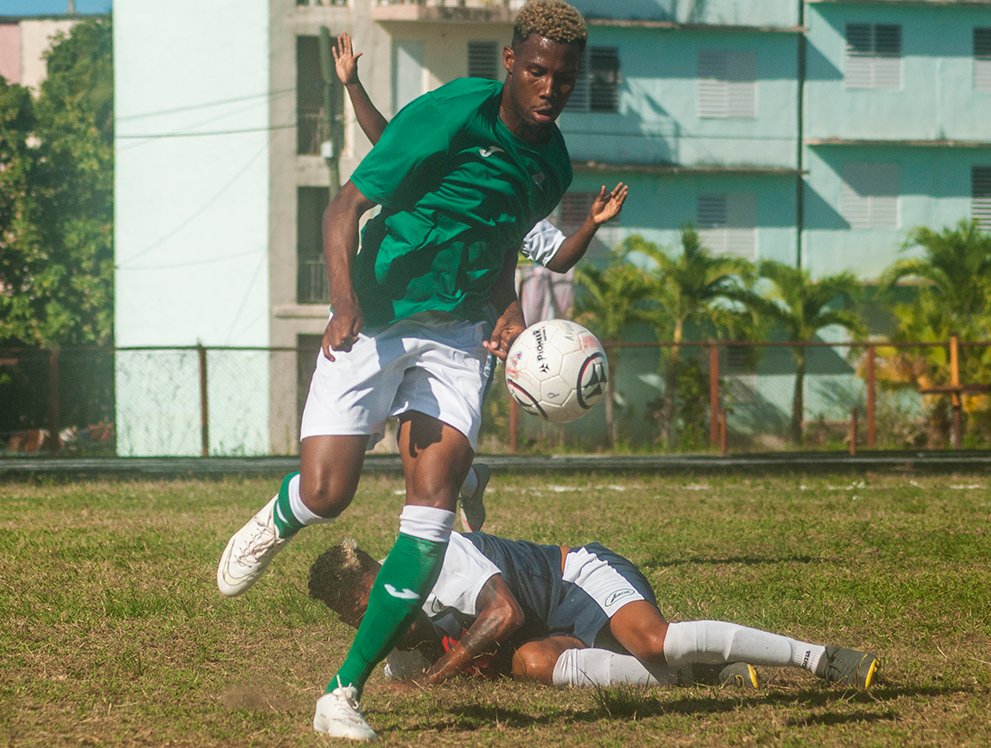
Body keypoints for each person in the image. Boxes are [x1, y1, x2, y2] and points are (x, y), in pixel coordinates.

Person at [216, 0, 590, 740]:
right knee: (328, 494)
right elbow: (343, 207)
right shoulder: (450, 114)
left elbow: (496, 247)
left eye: (565, 79)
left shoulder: (551, 168)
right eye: (538, 71)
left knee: (430, 514)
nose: (550, 89)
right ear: (511, 62)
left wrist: (506, 312)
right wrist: (344, 301)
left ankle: (341, 692)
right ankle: (277, 519)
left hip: (455, 339)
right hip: (376, 316)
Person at [332, 30, 628, 534]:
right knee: (398, 447)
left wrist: (591, 224)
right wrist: (354, 86)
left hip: (466, 315)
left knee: (424, 444)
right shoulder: (450, 162)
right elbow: (388, 142)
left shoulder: (521, 207)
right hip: (400, 302)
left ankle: (453, 504)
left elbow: (556, 260)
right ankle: (469, 482)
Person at [309, 532, 880, 692]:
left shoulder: (436, 558)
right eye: (361, 619)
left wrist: (436, 678)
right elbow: (508, 646)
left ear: (382, 573)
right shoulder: (394, 656)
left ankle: (820, 658)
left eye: (374, 598)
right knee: (532, 666)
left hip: (574, 579)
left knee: (653, 641)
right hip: (549, 631)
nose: (380, 615)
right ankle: (704, 673)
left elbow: (503, 615)